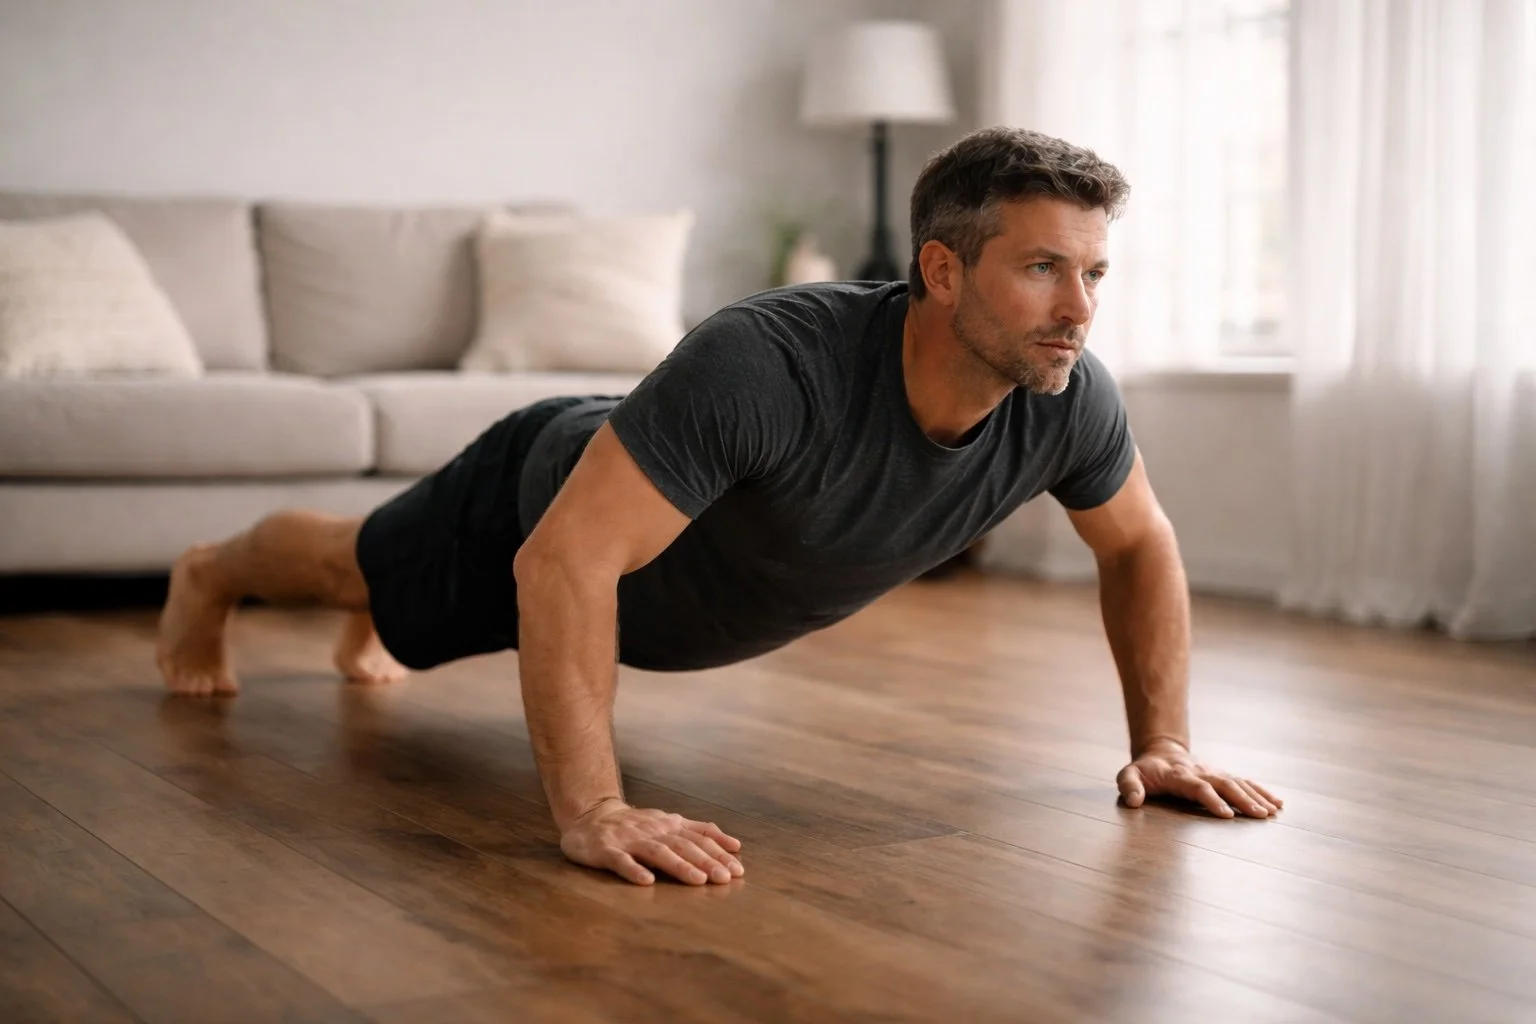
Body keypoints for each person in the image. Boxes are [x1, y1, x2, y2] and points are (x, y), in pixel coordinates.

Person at [155, 126, 1283, 888]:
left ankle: (383, 619)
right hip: (542, 500)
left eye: (1094, 273)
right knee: (357, 567)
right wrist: (592, 809)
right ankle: (210, 571)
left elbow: (1138, 543)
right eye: (1044, 268)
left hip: (652, 518)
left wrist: (1165, 742)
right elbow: (558, 566)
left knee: (395, 612)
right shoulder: (767, 365)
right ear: (941, 271)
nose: (1079, 309)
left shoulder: (1063, 394)